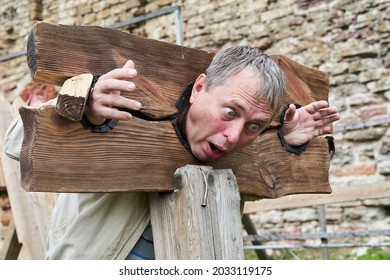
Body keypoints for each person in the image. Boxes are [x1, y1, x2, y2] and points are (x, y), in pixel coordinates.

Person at [4, 46, 340, 259]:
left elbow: (267, 177)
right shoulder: (119, 113)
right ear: (198, 88)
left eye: (254, 127)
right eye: (229, 112)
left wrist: (287, 141)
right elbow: (16, 142)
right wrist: (84, 107)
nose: (234, 136)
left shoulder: (235, 153)